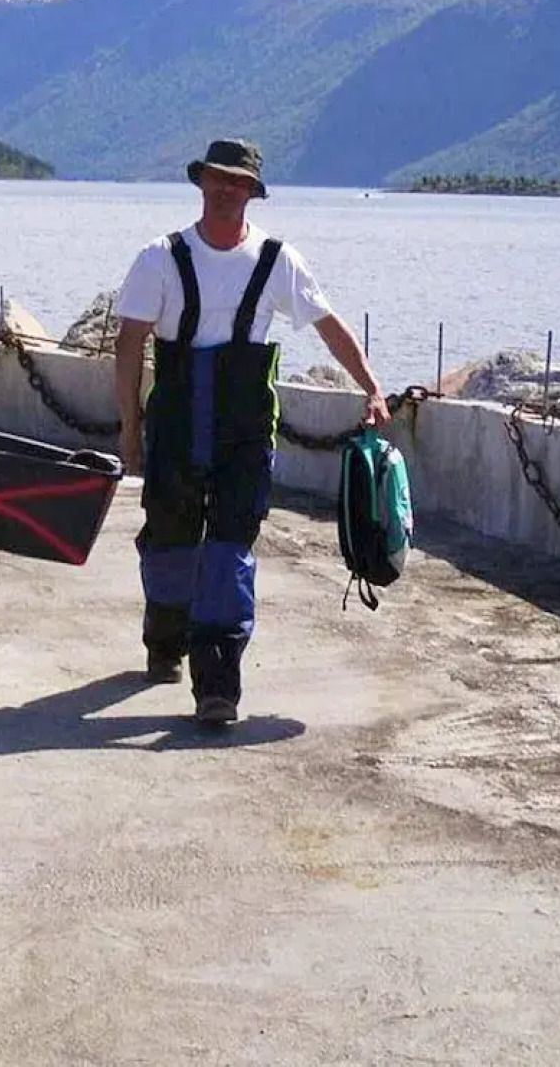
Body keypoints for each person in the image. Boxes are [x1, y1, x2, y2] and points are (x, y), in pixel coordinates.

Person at [113, 137, 391, 725]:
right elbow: (130, 344)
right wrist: (131, 430)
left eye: (236, 181)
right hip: (176, 426)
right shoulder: (158, 257)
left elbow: (328, 324)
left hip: (244, 435)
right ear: (201, 183)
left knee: (229, 551)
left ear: (251, 192)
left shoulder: (277, 260)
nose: (224, 189)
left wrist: (370, 385)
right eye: (216, 178)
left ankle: (218, 683)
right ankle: (165, 642)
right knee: (170, 545)